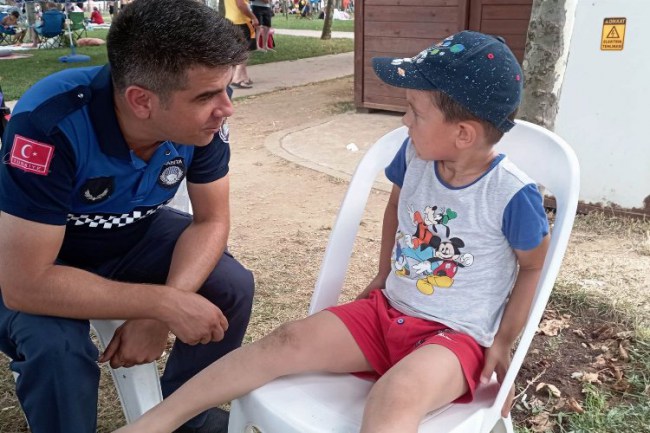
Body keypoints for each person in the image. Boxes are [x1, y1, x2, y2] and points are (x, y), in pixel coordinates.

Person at [113, 31, 550, 433]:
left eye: (415, 112)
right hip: (386, 313)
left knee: (395, 395)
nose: (404, 120)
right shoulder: (415, 155)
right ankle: (153, 424)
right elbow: (397, 207)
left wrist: (503, 341)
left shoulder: (512, 195)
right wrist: (384, 274)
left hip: (455, 340)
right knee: (286, 340)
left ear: (463, 134)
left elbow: (533, 268)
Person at [0, 0, 255, 432]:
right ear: (141, 100)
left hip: (130, 234)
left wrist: (161, 310)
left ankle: (186, 415)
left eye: (225, 88)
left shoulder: (205, 121)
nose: (226, 107)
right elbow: (26, 283)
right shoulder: (50, 123)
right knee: (56, 347)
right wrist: (162, 303)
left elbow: (211, 220)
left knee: (231, 286)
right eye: (206, 96)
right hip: (35, 256)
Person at [225, 0, 258, 88]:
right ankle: (237, 78)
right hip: (242, 21)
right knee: (245, 49)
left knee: (238, 49)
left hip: (230, 20)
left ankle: (244, 77)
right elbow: (240, 4)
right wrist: (253, 17)